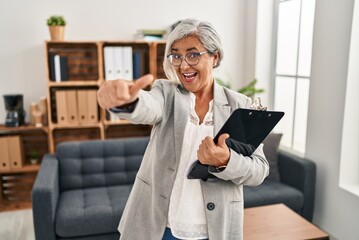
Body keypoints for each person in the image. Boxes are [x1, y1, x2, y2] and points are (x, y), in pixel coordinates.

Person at [97, 18, 269, 240]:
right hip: (159, 227)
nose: (183, 65)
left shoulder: (240, 104)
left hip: (215, 230)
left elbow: (259, 170)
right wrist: (126, 102)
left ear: (214, 57)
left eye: (193, 54)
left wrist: (225, 160)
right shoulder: (166, 92)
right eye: (176, 55)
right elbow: (148, 106)